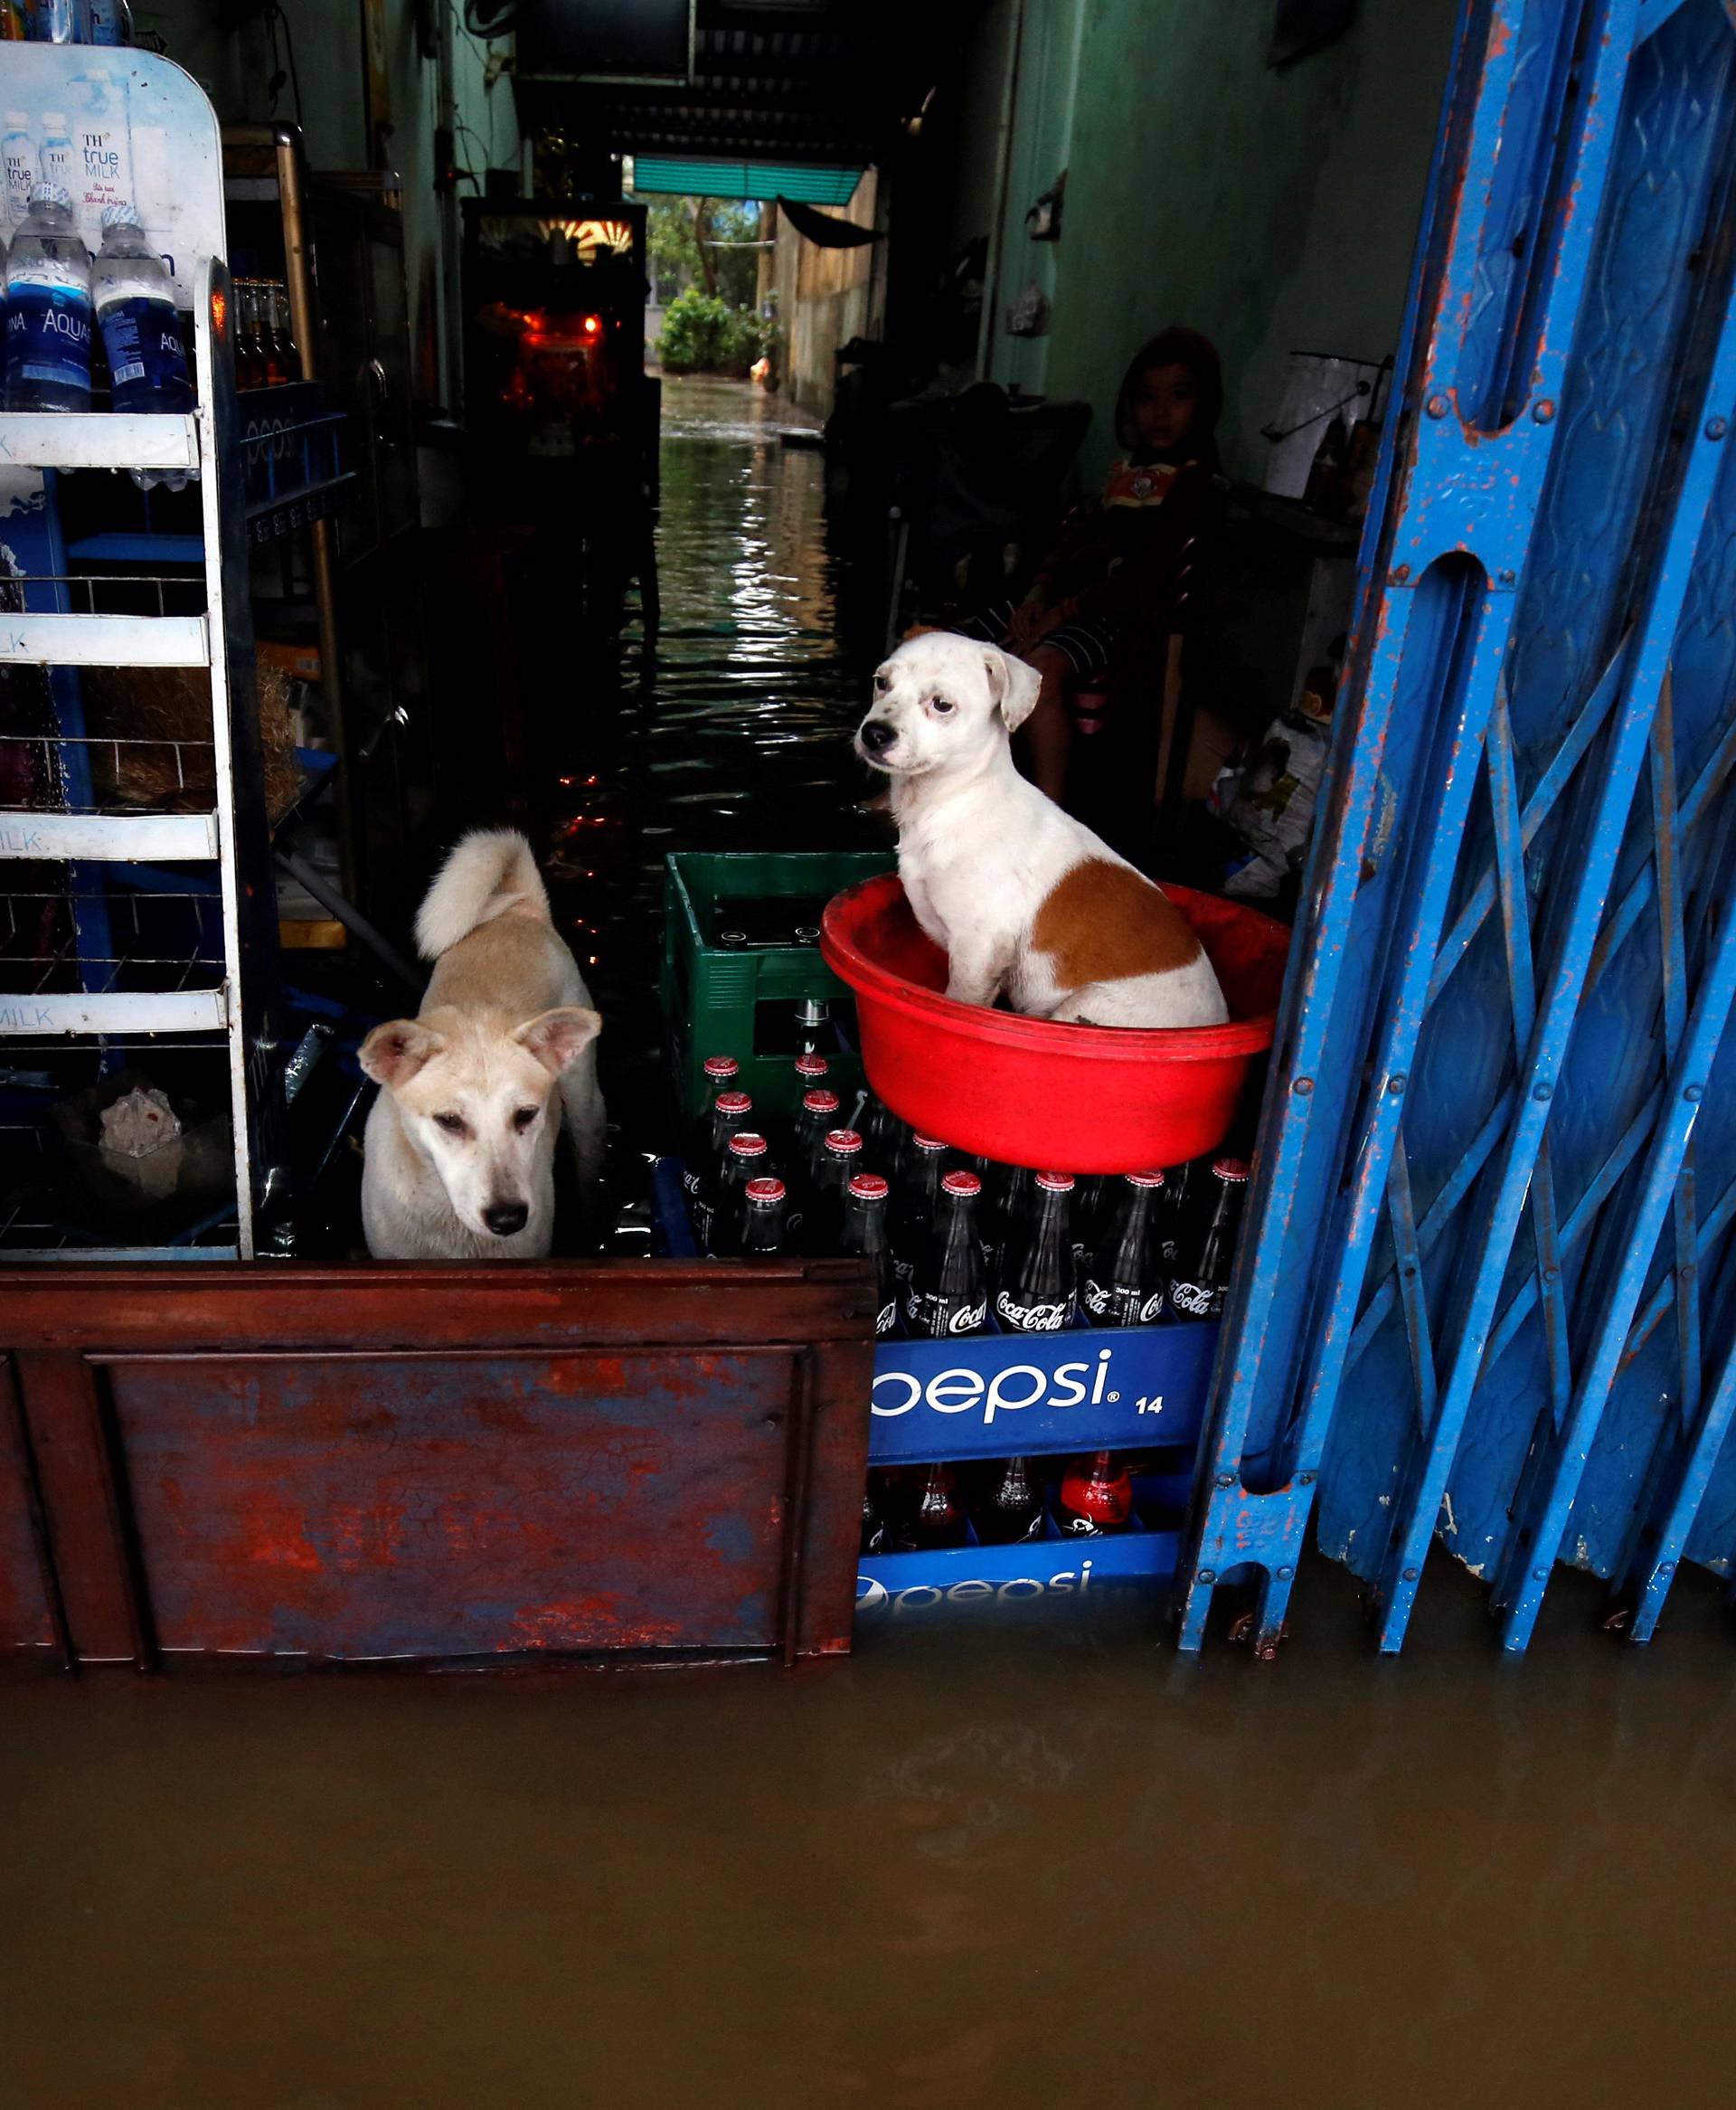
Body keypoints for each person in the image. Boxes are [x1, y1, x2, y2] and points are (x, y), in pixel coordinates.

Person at [962, 326, 1224, 805]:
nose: (1161, 411)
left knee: (1040, 673)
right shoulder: (1125, 477)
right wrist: (1037, 596)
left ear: (1205, 405)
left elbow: (1143, 580)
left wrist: (1061, 614)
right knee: (957, 648)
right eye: (1147, 397)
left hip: (1116, 622)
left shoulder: (1193, 486)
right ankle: (938, 782)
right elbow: (1071, 544)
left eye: (1179, 396)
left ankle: (1048, 808)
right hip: (1063, 604)